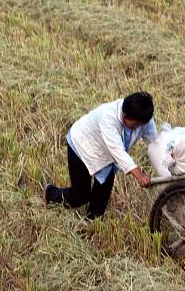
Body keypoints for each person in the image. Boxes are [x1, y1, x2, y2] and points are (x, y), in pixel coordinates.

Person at [45, 91, 156, 219]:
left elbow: (155, 143)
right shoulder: (108, 116)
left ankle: (92, 221)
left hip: (106, 154)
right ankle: (50, 193)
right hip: (82, 145)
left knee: (102, 196)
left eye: (140, 125)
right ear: (125, 115)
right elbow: (117, 151)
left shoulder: (144, 118)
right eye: (135, 124)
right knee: (81, 195)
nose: (138, 128)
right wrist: (140, 175)